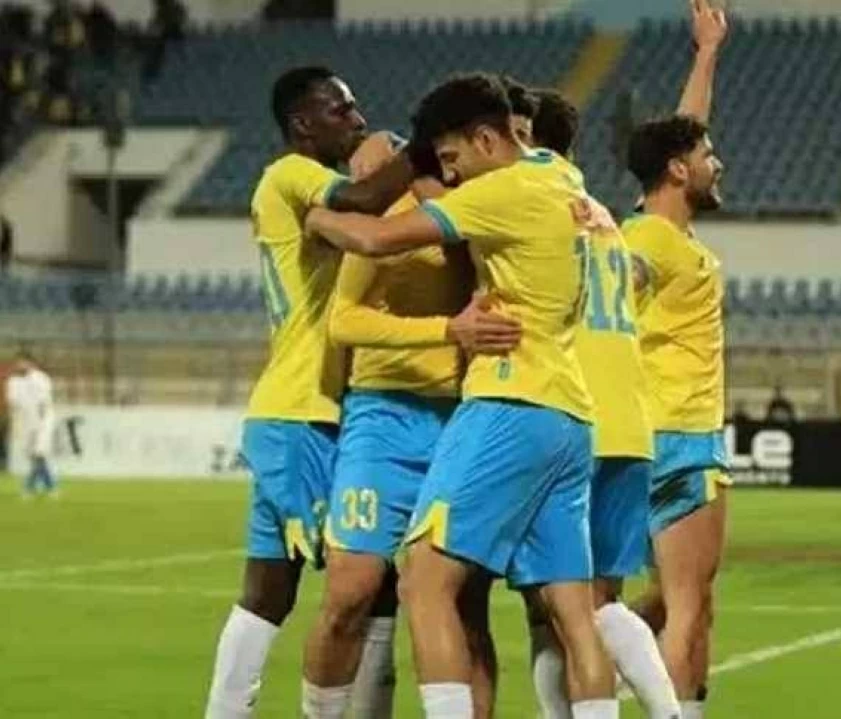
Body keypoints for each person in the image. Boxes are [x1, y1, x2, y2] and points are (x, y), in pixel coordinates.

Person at [305, 73, 619, 719]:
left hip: (509, 403)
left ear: (485, 139)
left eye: (453, 158)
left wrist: (315, 213)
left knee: (423, 581)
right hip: (569, 416)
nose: (450, 174)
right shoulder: (564, 178)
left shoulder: (502, 190)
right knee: (575, 615)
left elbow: (374, 236)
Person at [203, 65, 416, 719]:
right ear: (302, 123)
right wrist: (432, 142)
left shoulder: (307, 195)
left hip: (297, 411)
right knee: (370, 578)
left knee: (269, 591)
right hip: (303, 416)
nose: (357, 119)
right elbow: (366, 199)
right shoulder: (291, 174)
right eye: (340, 110)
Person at [300, 182, 520, 718]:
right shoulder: (393, 217)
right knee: (350, 590)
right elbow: (343, 320)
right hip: (383, 418)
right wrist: (447, 330)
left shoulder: (492, 213)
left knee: (465, 605)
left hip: (467, 418)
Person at [504, 86, 680, 719]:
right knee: (599, 600)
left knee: (557, 608)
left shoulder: (523, 202)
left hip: (571, 415)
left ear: (520, 136)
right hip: (628, 421)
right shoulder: (600, 215)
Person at [623, 4, 730, 718]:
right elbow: (617, 283)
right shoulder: (650, 242)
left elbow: (684, 133)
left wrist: (707, 53)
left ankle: (589, 661)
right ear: (677, 169)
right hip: (682, 438)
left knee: (666, 601)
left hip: (646, 437)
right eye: (708, 155)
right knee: (691, 606)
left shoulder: (651, 226)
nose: (718, 163)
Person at [5, 351, 58, 498]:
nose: (20, 365)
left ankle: (29, 486)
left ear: (31, 363)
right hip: (25, 422)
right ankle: (50, 486)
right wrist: (16, 422)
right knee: (33, 456)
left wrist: (41, 421)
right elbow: (13, 403)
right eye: (18, 362)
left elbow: (44, 401)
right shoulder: (13, 382)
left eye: (23, 362)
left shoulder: (41, 378)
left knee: (39, 452)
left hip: (43, 420)